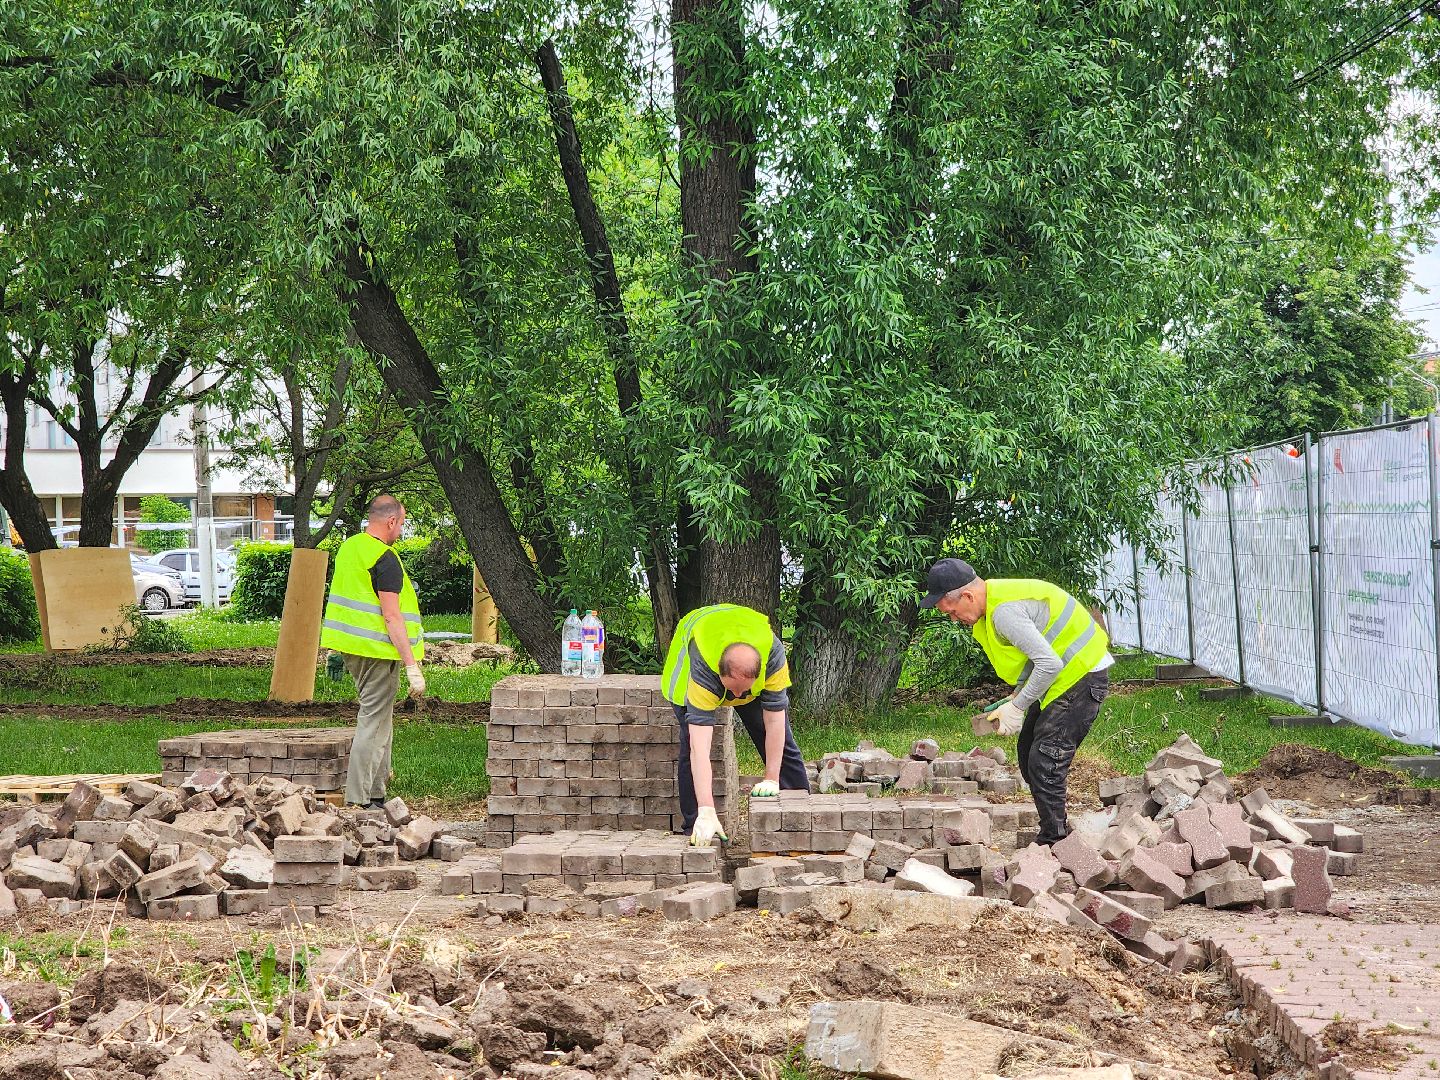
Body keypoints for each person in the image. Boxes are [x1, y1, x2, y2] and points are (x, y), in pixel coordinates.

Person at [920, 558, 1113, 846]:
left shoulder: (1004, 613)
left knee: (1046, 758)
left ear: (968, 596)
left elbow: (1048, 663)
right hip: (1063, 675)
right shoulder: (992, 607)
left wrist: (1018, 707)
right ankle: (1056, 830)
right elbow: (1035, 657)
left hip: (1082, 674)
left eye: (952, 611)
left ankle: (1055, 843)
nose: (953, 619)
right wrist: (1015, 696)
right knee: (1027, 751)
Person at [660, 603, 810, 845]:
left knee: (784, 742)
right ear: (719, 676)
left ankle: (800, 812)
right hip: (691, 669)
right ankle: (696, 825)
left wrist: (771, 778)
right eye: (732, 690)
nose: (738, 698)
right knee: (690, 745)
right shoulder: (703, 666)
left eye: (745, 691)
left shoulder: (773, 656)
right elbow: (701, 749)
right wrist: (707, 809)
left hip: (742, 654)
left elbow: (774, 722)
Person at [320, 495, 426, 809]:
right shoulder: (385, 558)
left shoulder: (351, 547)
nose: (401, 530)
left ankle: (376, 793)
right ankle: (360, 800)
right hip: (379, 652)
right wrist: (411, 666)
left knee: (381, 720)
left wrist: (338, 650)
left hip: (354, 650)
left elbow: (348, 597)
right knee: (373, 721)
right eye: (402, 523)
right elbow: (392, 616)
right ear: (391, 521)